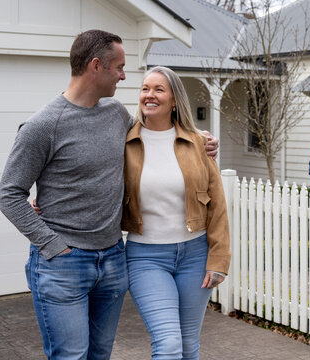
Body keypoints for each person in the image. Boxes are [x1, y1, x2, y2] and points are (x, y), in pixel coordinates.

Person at [0, 30, 218, 360]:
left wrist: (201, 137)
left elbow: (155, 135)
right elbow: (9, 194)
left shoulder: (115, 114)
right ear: (96, 66)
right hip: (63, 265)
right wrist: (53, 244)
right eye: (119, 67)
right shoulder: (43, 126)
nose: (124, 75)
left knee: (100, 354)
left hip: (113, 260)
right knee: (71, 355)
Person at [121, 66, 231, 360]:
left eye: (159, 89)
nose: (150, 95)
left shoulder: (198, 143)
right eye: (145, 88)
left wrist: (218, 260)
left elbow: (217, 205)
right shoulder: (124, 141)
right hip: (145, 258)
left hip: (195, 255)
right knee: (169, 344)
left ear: (174, 99)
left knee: (188, 345)